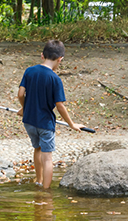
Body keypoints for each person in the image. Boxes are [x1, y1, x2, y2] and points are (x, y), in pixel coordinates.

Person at [17, 40, 84, 188]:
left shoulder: (29, 71)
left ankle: (39, 181)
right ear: (60, 59)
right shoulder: (55, 79)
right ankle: (46, 193)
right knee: (47, 158)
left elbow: (21, 94)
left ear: (42, 55)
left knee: (37, 149)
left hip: (29, 122)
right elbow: (59, 106)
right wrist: (71, 124)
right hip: (45, 124)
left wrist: (25, 108)